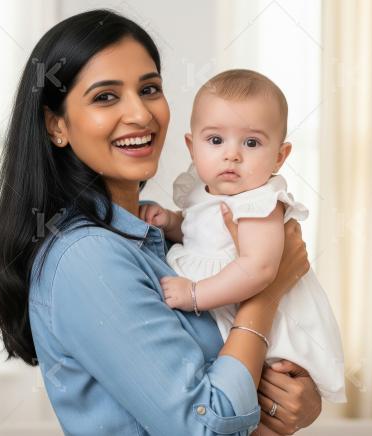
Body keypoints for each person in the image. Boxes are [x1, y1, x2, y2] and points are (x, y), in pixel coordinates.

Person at [0, 9, 322, 435]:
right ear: (57, 126)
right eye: (105, 96)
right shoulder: (88, 258)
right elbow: (204, 429)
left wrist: (289, 406)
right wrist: (266, 291)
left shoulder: (157, 236)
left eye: (149, 89)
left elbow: (226, 394)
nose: (140, 114)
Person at [141, 69, 346, 404]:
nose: (232, 154)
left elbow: (259, 268)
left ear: (279, 156)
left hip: (253, 309)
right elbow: (202, 234)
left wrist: (196, 294)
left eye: (251, 143)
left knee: (259, 398)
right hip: (226, 301)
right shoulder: (200, 189)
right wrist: (173, 223)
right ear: (193, 147)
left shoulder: (259, 202)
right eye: (215, 140)